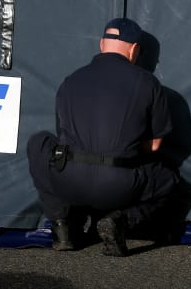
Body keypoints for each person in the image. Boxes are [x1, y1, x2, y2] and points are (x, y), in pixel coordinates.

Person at [27, 17, 179, 256]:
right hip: (120, 186)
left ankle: (62, 227)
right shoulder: (148, 83)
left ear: (101, 44)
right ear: (134, 49)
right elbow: (156, 144)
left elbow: (63, 138)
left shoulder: (70, 81)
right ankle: (121, 221)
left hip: (69, 182)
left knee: (39, 143)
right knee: (168, 181)